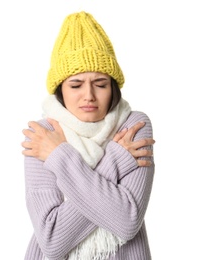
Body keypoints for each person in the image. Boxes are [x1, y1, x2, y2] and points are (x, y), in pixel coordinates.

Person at [21, 11, 155, 260]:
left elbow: (126, 221)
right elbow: (52, 240)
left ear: (113, 86)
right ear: (60, 89)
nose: (89, 95)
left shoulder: (134, 125)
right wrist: (117, 158)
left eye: (101, 84)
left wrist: (59, 157)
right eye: (76, 84)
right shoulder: (43, 136)